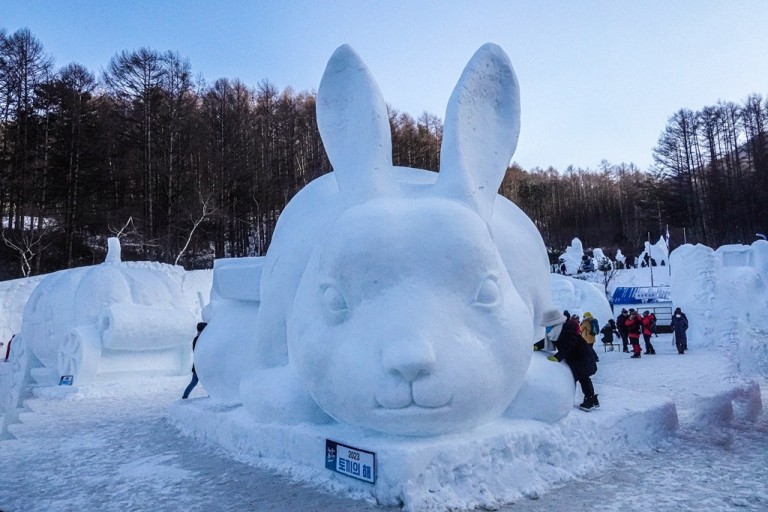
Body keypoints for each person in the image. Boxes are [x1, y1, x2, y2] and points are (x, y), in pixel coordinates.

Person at [537, 307, 599, 411]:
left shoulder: (567, 330)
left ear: (554, 323)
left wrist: (558, 357)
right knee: (582, 378)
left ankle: (590, 400)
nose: (546, 329)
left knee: (583, 378)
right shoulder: (556, 331)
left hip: (582, 357)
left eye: (548, 326)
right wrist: (536, 346)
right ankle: (592, 399)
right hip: (576, 358)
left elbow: (569, 345)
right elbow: (549, 341)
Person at [182, 322, 207, 399]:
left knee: (194, 382)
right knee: (201, 381)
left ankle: (185, 397)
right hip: (201, 364)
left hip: (198, 364)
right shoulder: (199, 339)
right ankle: (185, 396)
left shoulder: (198, 338)